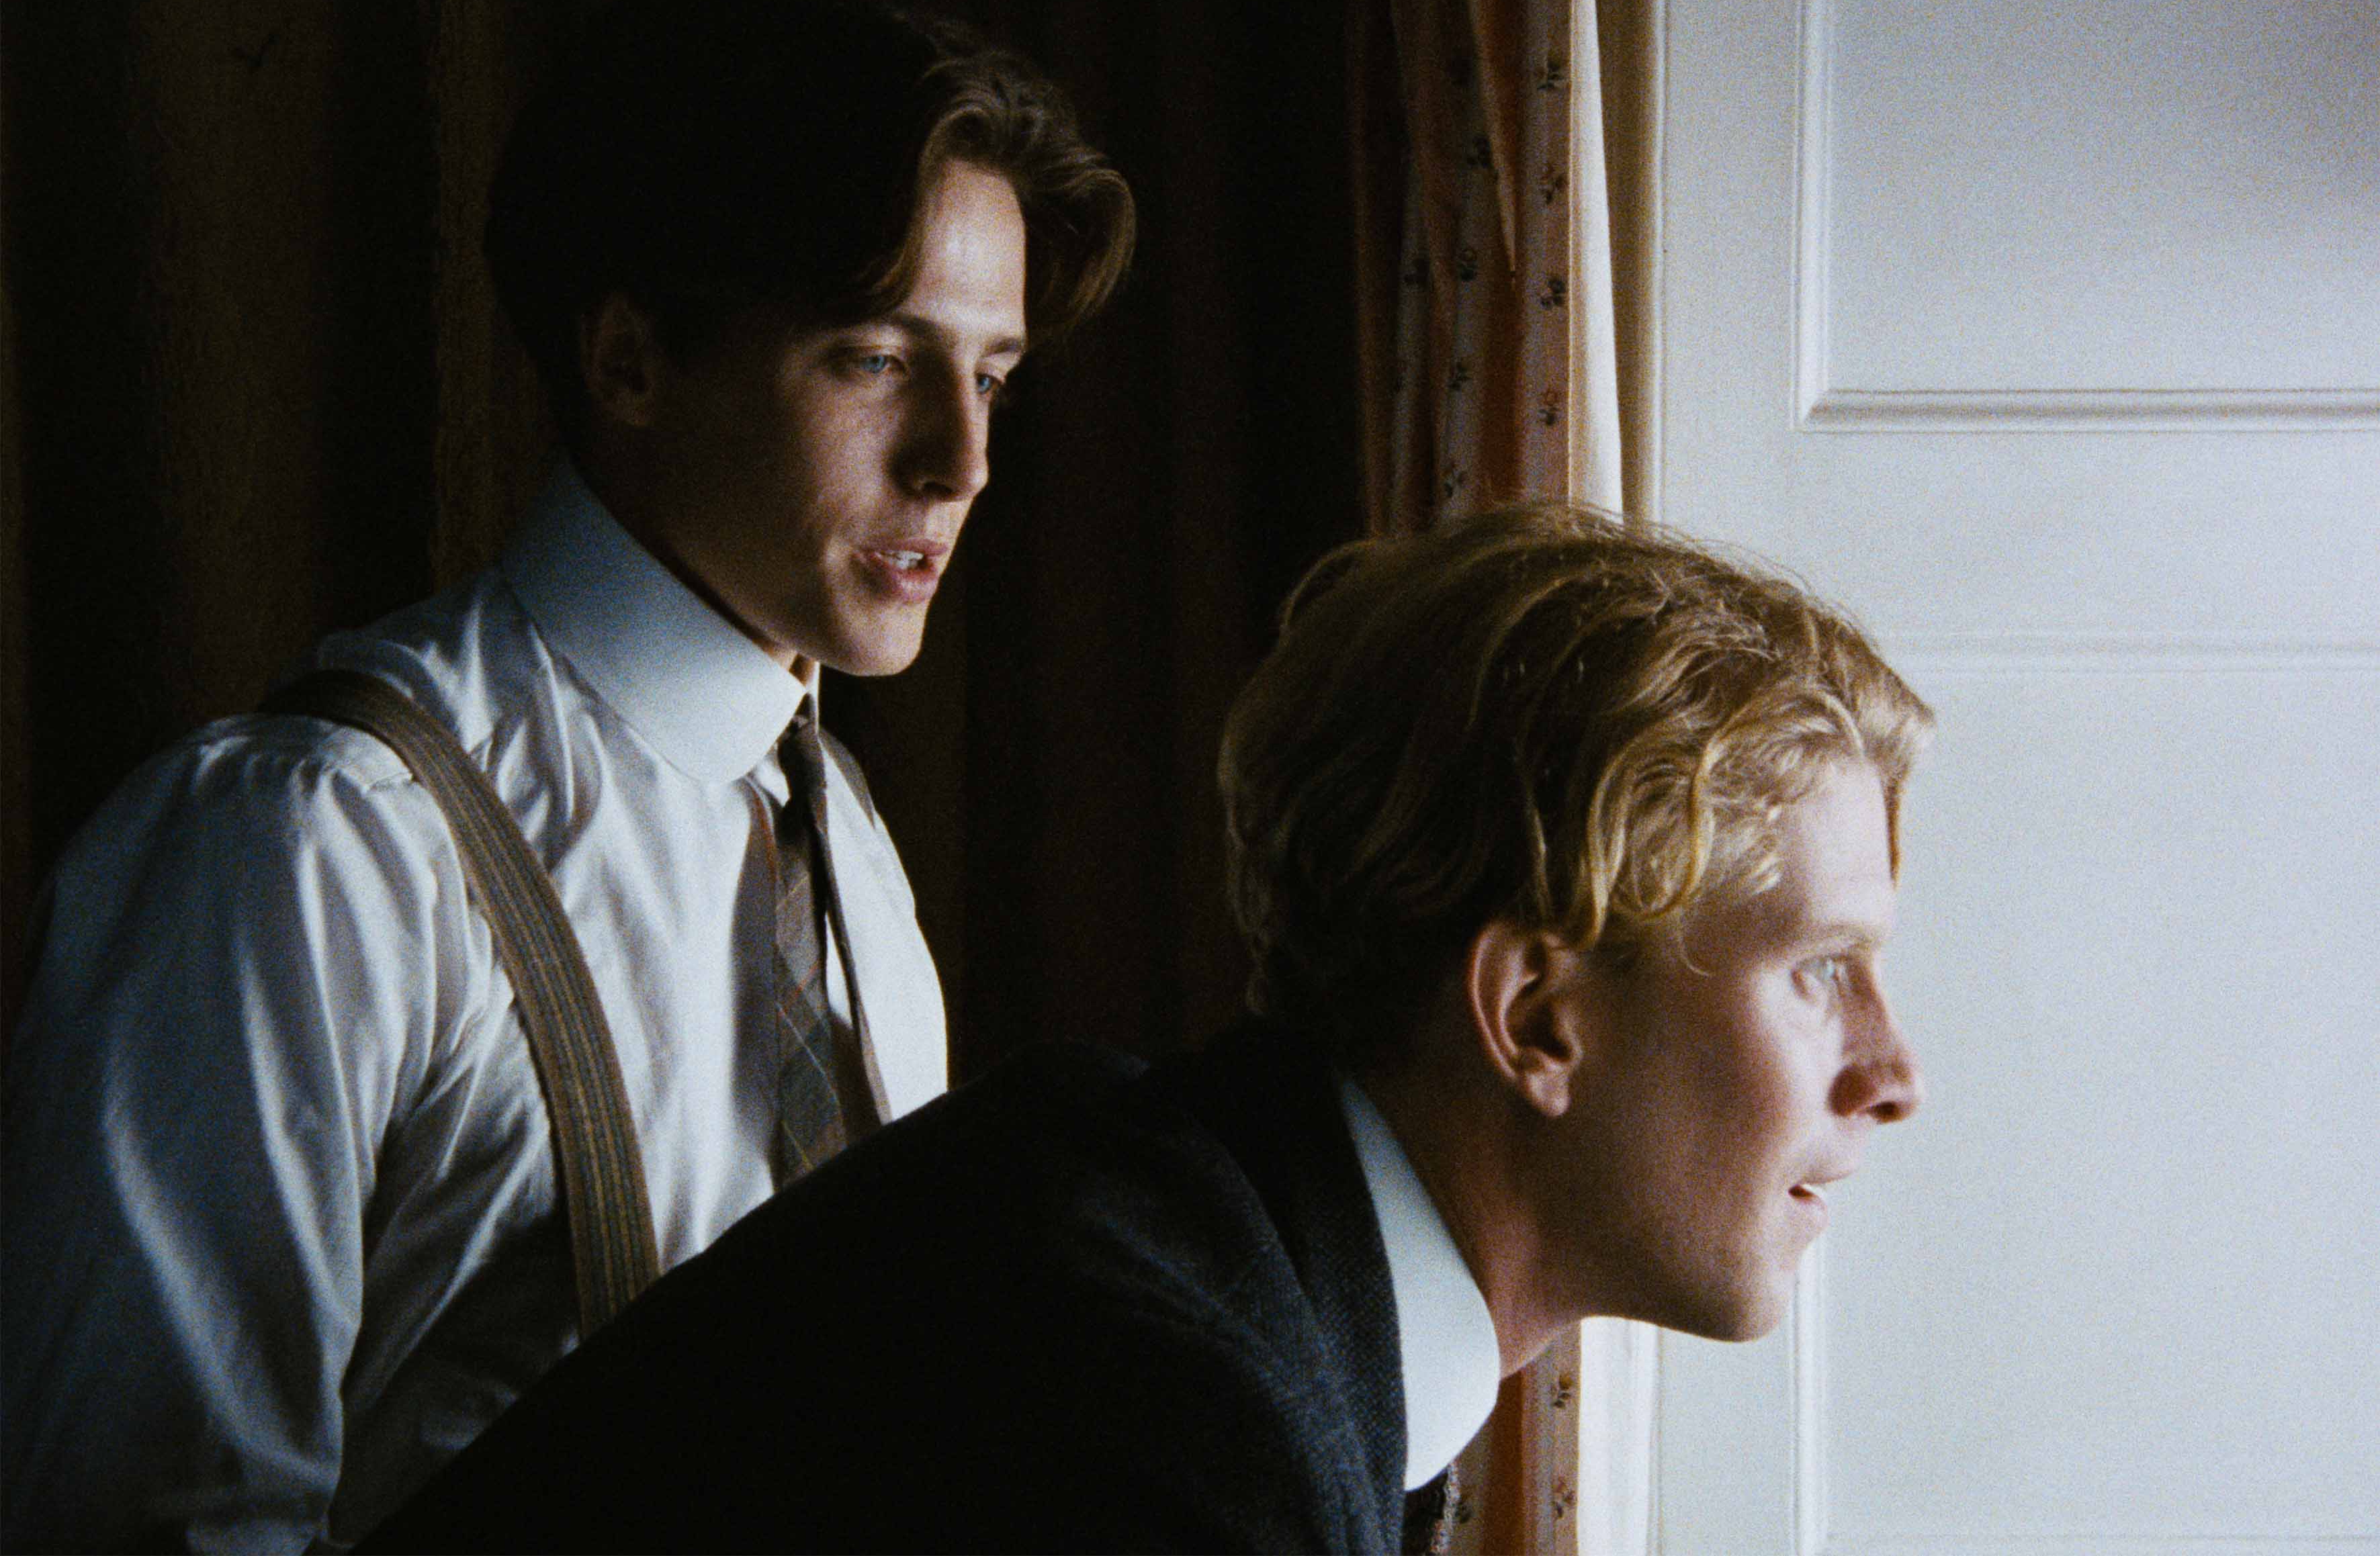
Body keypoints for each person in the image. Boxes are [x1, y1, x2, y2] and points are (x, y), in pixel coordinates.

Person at [1, 0, 1133, 1551]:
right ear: (627, 360)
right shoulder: (317, 846)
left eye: (990, 372)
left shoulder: (842, 842)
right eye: (877, 358)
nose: (963, 459)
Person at [363, 503, 1933, 1554]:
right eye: (1819, 968)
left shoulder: (1178, 1244)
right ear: (1534, 1015)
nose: (1892, 1072)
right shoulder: (1157, 1420)